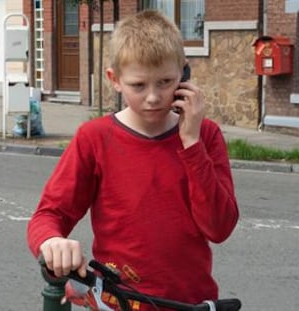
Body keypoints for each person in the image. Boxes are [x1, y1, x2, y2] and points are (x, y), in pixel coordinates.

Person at [27, 9, 238, 310]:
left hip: (189, 303)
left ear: (184, 74)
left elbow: (219, 228)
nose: (153, 97)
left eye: (165, 81)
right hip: (119, 302)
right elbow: (49, 214)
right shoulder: (94, 138)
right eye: (138, 85)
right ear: (115, 79)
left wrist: (191, 143)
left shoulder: (206, 135)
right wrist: (51, 242)